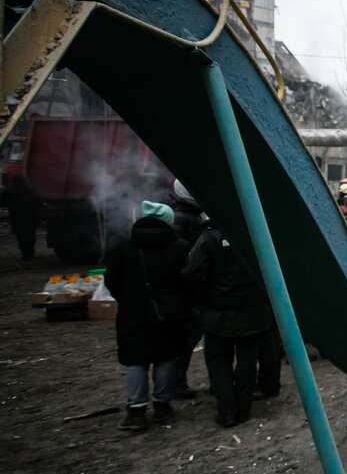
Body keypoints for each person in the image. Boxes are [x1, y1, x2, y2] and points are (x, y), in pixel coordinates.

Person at [104, 201, 191, 432]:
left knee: (135, 360)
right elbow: (188, 279)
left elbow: (111, 280)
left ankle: (136, 410)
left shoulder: (122, 246)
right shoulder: (179, 247)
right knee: (166, 357)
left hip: (132, 312)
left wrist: (128, 298)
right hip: (169, 312)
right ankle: (162, 404)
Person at [183, 221, 275, 427]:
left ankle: (227, 410)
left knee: (218, 361)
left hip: (218, 312)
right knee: (247, 362)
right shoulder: (254, 233)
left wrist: (204, 297)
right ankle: (243, 408)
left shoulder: (209, 238)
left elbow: (191, 273)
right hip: (252, 310)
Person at [168, 179, 206, 400]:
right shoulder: (190, 222)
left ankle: (172, 384)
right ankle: (176, 384)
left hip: (175, 292)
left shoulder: (174, 216)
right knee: (186, 339)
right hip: (187, 292)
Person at [1, 173, 39, 260]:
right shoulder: (31, 190)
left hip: (17, 218)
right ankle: (30, 254)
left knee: (21, 237)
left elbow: (3, 203)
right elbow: (37, 203)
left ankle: (26, 254)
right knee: (30, 236)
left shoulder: (10, 192)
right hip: (30, 218)